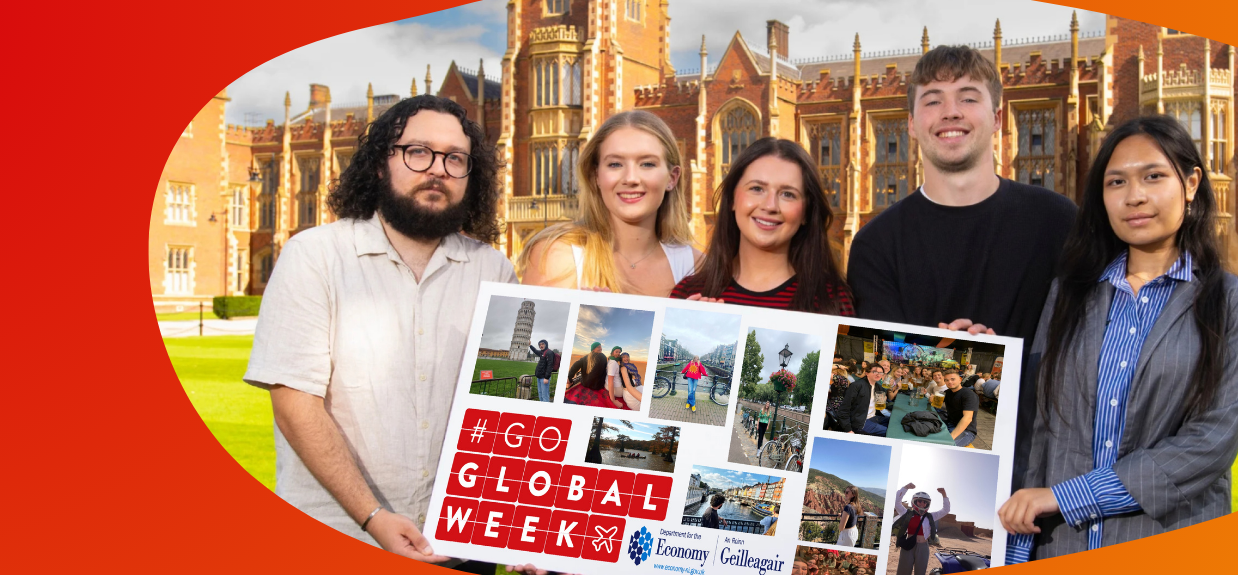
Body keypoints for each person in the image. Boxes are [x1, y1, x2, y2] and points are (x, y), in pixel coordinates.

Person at [242, 96, 515, 566]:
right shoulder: (315, 255)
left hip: (459, 542)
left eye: (455, 158)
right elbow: (294, 403)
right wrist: (372, 517)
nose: (438, 170)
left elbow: (508, 404)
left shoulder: (494, 270)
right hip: (342, 532)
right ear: (378, 163)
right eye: (418, 152)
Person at [999, 115, 1238, 562]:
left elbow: (1210, 443)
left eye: (1154, 176)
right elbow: (1040, 424)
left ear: (1192, 182)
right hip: (1061, 545)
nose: (1135, 196)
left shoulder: (1235, 302)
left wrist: (1068, 496)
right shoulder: (1069, 293)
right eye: (1116, 182)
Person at [846, 45, 1078, 481]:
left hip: (1044, 474)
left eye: (968, 97)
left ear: (997, 116)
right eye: (933, 100)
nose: (950, 112)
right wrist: (936, 351)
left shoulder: (1059, 221)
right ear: (912, 124)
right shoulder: (875, 244)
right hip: (925, 463)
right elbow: (887, 361)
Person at [520, 110, 698, 295]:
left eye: (647, 164)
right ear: (595, 175)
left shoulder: (696, 267)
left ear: (672, 178)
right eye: (615, 164)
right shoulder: (559, 257)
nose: (630, 178)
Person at [671, 138, 855, 315]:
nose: (770, 206)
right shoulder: (687, 294)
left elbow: (880, 348)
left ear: (806, 212)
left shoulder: (834, 299)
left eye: (788, 194)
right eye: (757, 189)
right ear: (732, 200)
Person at [893, 486, 950, 575]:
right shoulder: (907, 513)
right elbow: (897, 502)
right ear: (914, 501)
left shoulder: (931, 516)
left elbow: (946, 510)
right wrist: (905, 488)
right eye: (919, 501)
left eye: (925, 502)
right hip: (908, 545)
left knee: (920, 572)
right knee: (903, 571)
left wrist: (944, 494)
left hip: (923, 547)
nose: (922, 504)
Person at [833, 364, 883, 435]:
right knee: (889, 433)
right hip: (861, 422)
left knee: (893, 424)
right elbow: (843, 410)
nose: (878, 374)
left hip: (874, 417)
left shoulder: (878, 387)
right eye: (875, 372)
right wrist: (848, 429)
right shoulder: (856, 386)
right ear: (867, 373)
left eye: (881, 372)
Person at [564, 342, 618, 408]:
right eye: (598, 347)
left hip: (585, 383)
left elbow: (575, 365)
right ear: (593, 349)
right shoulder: (603, 357)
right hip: (598, 386)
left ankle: (569, 382)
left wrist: (569, 377)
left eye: (600, 347)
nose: (601, 348)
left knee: (580, 374)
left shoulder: (586, 357)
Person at [940, 368, 978, 447]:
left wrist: (951, 437)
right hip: (950, 423)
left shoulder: (968, 394)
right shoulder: (948, 392)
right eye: (946, 380)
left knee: (946, 447)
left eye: (952, 379)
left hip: (966, 431)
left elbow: (967, 418)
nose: (949, 382)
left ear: (960, 379)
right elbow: (939, 404)